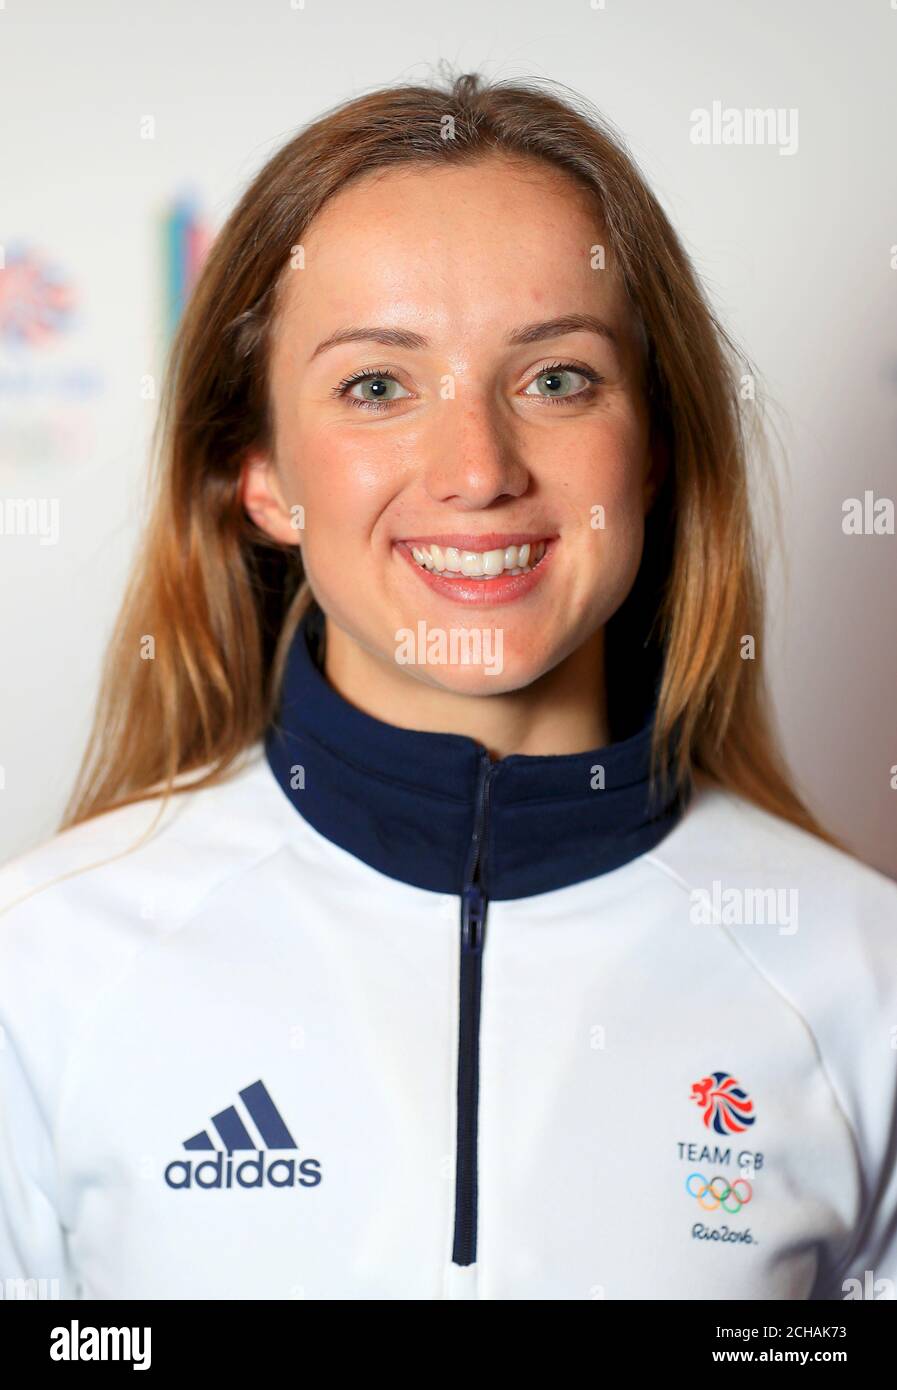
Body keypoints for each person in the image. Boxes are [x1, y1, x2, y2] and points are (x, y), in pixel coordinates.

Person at [1, 68, 895, 1302]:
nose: (477, 470)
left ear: (655, 454)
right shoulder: (42, 967)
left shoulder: (862, 976)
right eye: (378, 385)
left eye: (556, 378)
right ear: (261, 473)